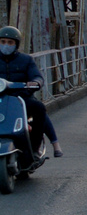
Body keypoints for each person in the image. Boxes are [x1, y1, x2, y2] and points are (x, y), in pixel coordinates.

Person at [0, 25, 62, 157]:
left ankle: (34, 147)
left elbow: (36, 76)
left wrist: (36, 82)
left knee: (39, 108)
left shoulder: (26, 60)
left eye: (10, 42)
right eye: (3, 42)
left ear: (16, 44)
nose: (6, 45)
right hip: (1, 98)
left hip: (20, 98)